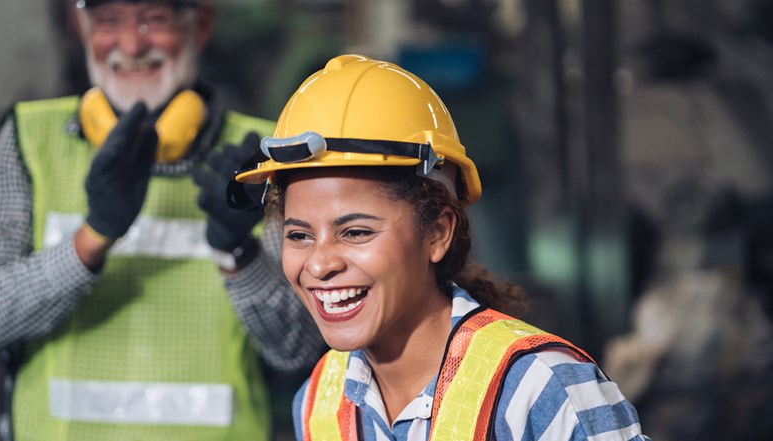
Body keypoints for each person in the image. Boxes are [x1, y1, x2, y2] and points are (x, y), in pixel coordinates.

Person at [229, 54, 651, 440]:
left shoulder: (540, 389)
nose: (319, 264)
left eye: (355, 232)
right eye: (299, 235)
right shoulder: (319, 401)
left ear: (437, 234)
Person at [0, 1, 324, 440]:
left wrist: (239, 253)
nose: (130, 44)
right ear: (81, 25)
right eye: (109, 20)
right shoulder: (28, 139)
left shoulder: (260, 155)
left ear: (200, 25)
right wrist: (93, 237)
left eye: (155, 19)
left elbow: (297, 350)